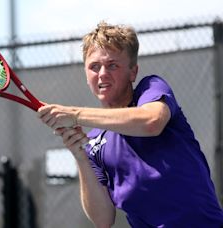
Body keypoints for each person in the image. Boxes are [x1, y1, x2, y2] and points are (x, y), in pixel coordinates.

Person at [38, 21, 223, 227]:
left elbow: (151, 122)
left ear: (133, 72)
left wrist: (76, 114)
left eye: (112, 65)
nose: (102, 74)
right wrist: (80, 157)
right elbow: (103, 219)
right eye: (94, 67)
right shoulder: (93, 142)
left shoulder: (151, 89)